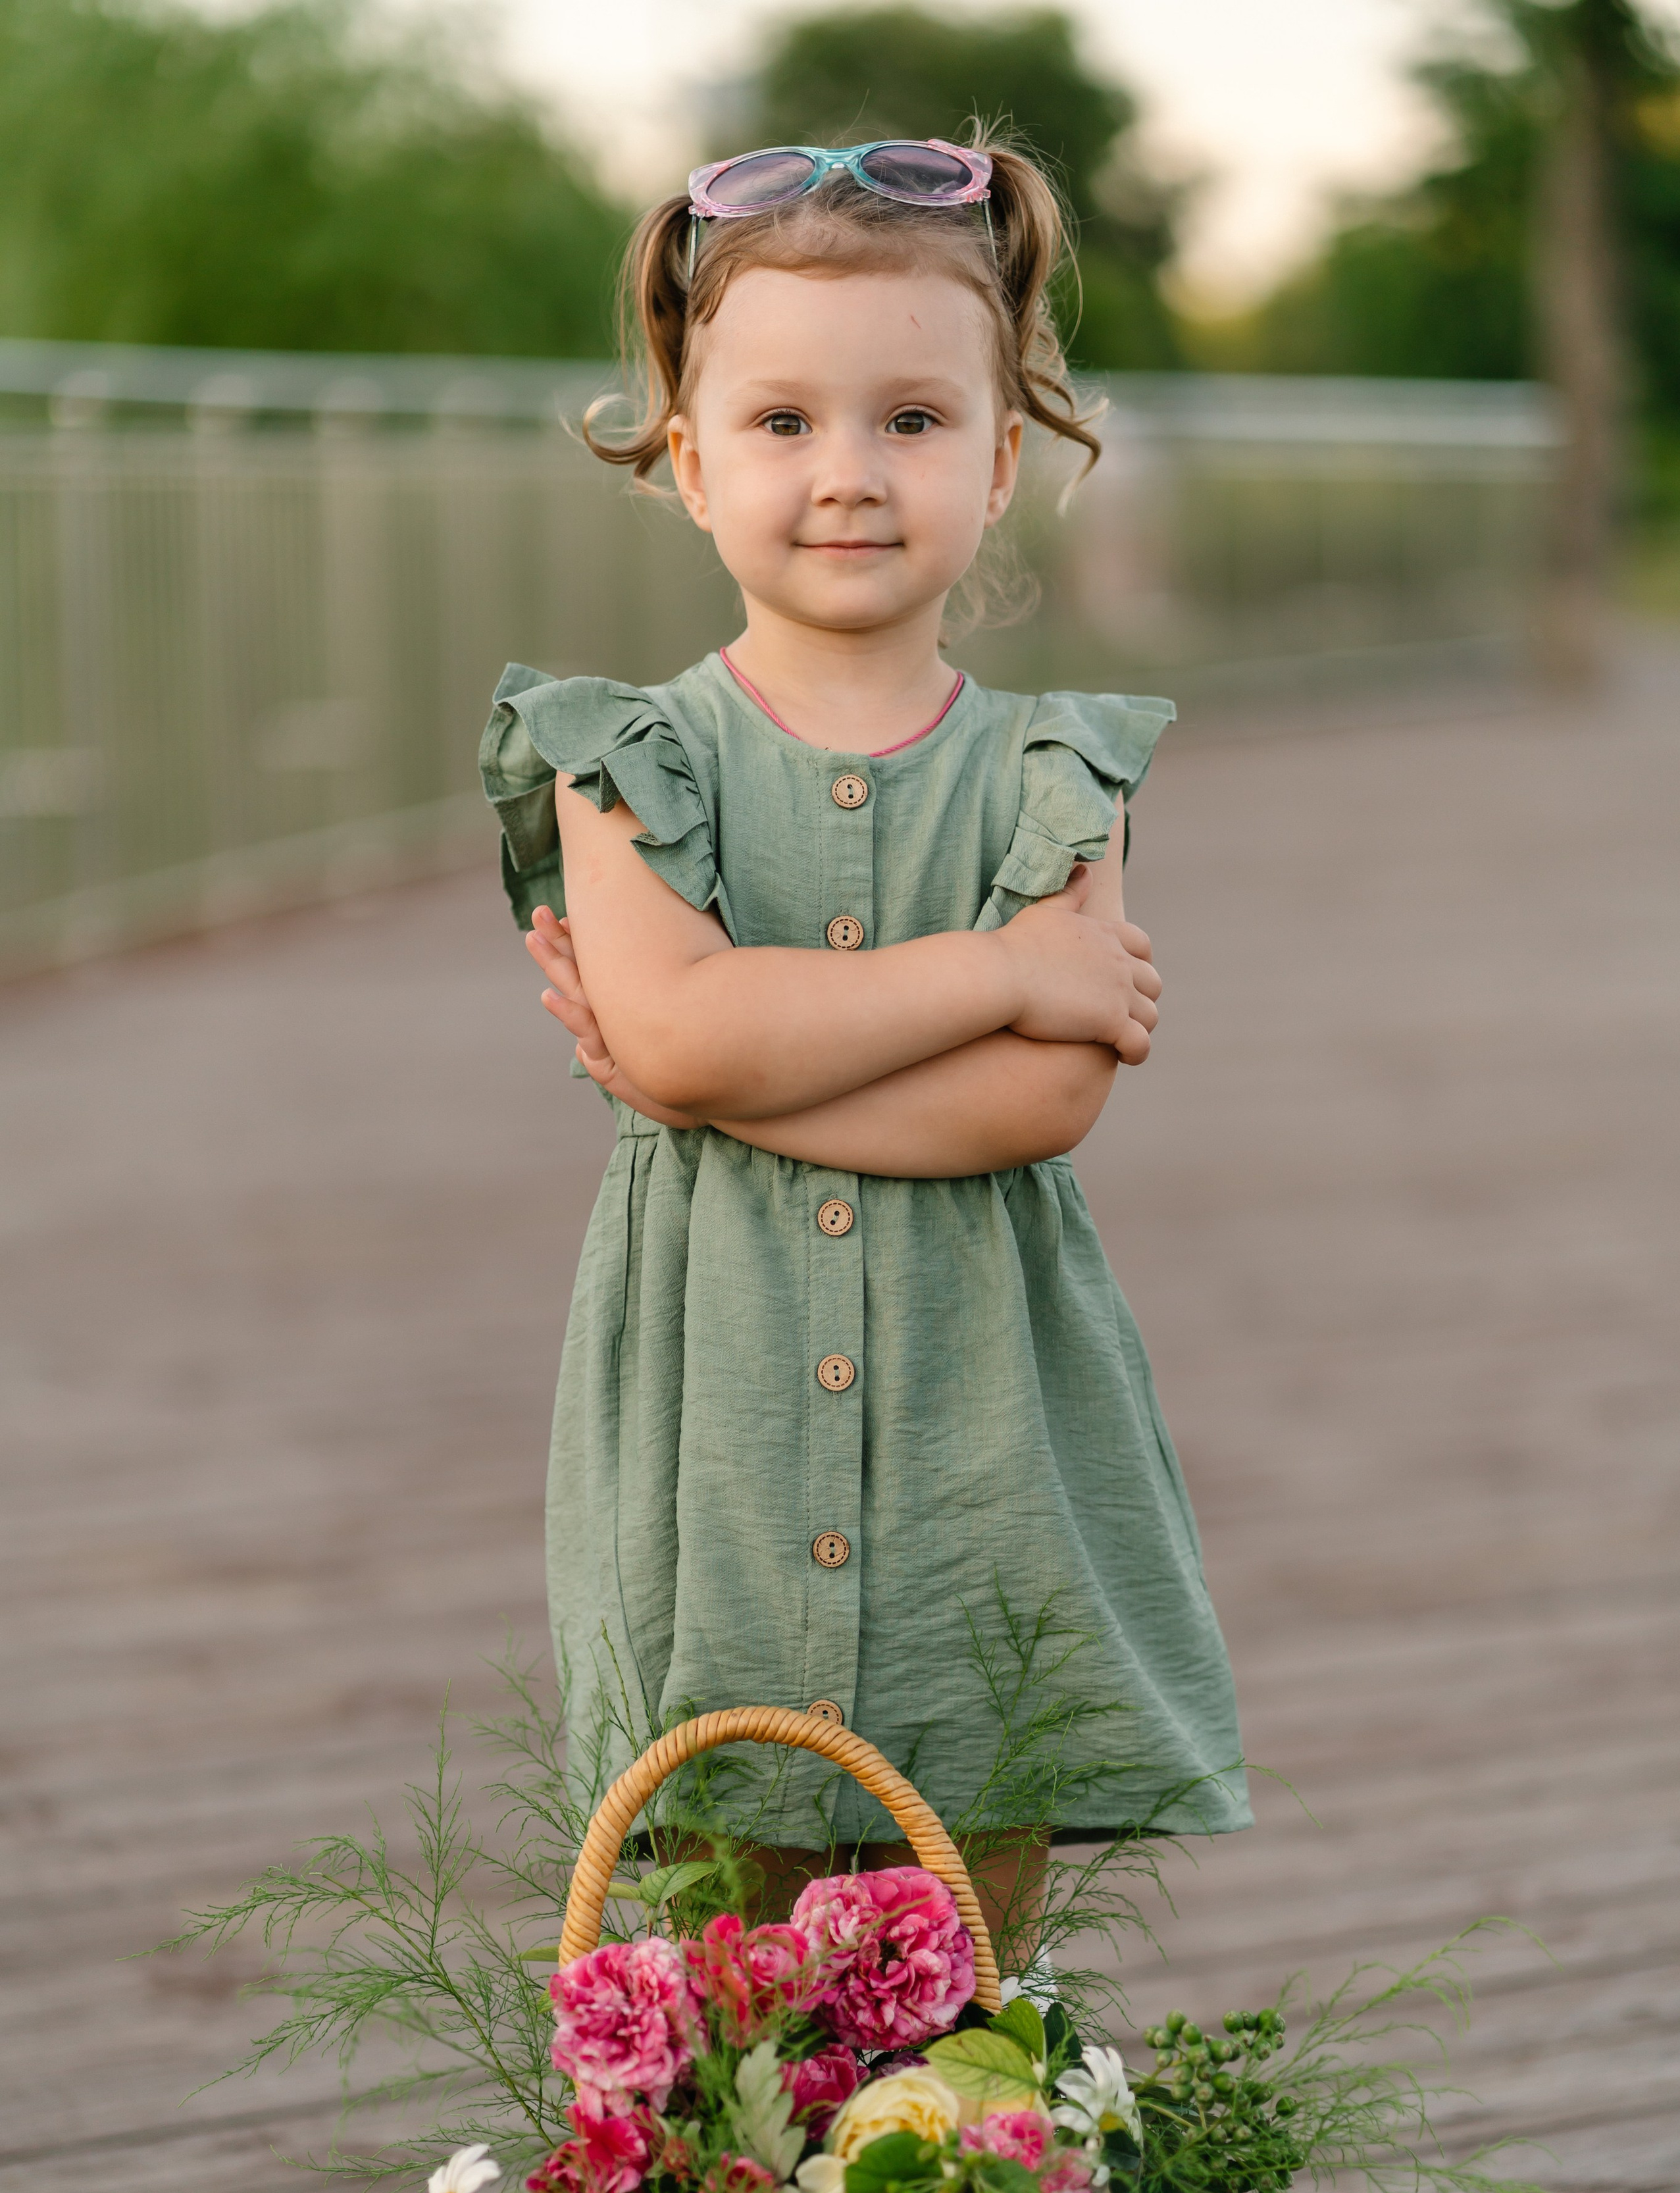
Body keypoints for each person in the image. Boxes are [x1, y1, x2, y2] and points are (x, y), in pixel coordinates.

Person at [481, 134, 1248, 1940]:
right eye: (782, 425)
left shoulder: (1060, 766)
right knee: (720, 1927)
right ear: (686, 465)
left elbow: (1038, 1105)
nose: (848, 474)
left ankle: (958, 2186)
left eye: (912, 421)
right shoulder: (622, 755)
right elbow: (680, 1037)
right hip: (718, 1423)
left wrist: (742, 1058)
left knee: (965, 1913)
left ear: (1000, 463)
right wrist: (996, 972)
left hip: (983, 1419)